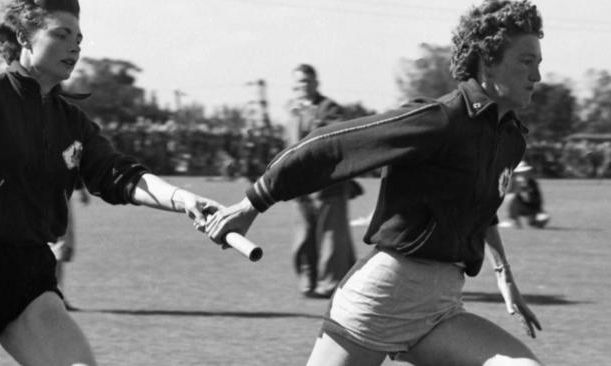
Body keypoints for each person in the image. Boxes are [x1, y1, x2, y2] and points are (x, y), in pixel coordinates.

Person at [207, 1, 544, 364]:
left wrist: (503, 274)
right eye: (527, 62)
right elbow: (329, 145)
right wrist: (251, 203)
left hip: (440, 310)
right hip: (379, 302)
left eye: (538, 63)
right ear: (488, 60)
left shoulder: (510, 139)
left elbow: (482, 208)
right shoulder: (439, 120)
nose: (537, 76)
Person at [0, 1, 221, 365]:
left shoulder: (72, 121)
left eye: (79, 40)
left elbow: (119, 174)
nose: (75, 47)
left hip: (30, 278)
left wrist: (183, 199)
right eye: (61, 34)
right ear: (24, 37)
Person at [286, 64, 356, 298]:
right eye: (297, 83)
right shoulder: (293, 112)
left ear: (316, 83)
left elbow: (340, 138)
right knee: (303, 237)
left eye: (306, 81)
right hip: (300, 184)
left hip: (329, 184)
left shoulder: (329, 109)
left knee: (331, 237)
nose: (302, 87)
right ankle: (308, 281)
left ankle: (331, 283)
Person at [48, 179, 90, 310]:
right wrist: (81, 190)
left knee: (56, 253)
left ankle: (55, 297)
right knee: (56, 252)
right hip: (53, 199)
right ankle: (53, 298)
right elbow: (68, 161)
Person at [500, 161, 550, 229]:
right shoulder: (515, 181)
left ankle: (532, 220)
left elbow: (531, 199)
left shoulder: (532, 183)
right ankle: (513, 220)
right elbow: (508, 193)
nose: (523, 174)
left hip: (532, 207)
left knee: (543, 218)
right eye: (521, 173)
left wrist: (523, 189)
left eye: (525, 172)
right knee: (510, 197)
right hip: (519, 207)